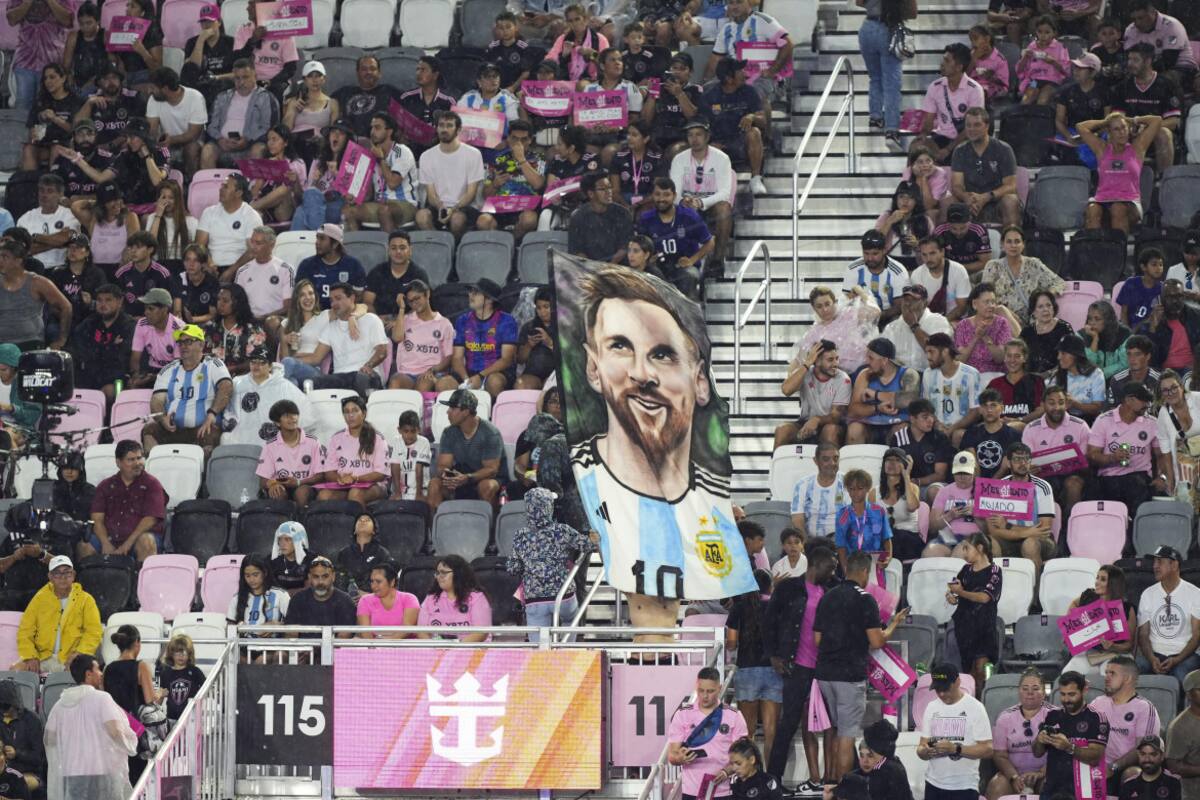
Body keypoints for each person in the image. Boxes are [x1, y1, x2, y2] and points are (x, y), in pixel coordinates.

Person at [815, 550, 908, 780]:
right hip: (850, 676)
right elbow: (876, 641)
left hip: (825, 675)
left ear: (847, 569)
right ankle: (846, 793)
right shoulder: (866, 599)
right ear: (866, 572)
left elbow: (817, 639)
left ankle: (832, 787)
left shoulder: (828, 596)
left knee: (834, 733)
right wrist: (894, 624)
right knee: (847, 737)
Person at [763, 546, 835, 785]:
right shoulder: (788, 588)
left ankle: (833, 779)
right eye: (830, 565)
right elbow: (770, 622)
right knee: (788, 724)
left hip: (825, 668)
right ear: (815, 564)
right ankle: (773, 779)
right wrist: (774, 655)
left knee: (832, 725)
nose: (833, 570)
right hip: (797, 666)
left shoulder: (832, 588)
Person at [43, 654, 138, 800]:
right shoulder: (102, 699)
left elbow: (49, 738)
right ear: (88, 674)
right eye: (98, 670)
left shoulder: (60, 704)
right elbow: (115, 731)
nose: (101, 674)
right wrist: (130, 745)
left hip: (71, 772)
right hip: (99, 770)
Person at [507, 487, 592, 639]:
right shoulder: (562, 530)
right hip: (563, 596)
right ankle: (567, 651)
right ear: (549, 507)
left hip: (534, 598)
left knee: (540, 648)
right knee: (570, 620)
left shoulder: (520, 535)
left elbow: (513, 568)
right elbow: (588, 545)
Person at [141, 322, 233, 454]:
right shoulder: (169, 369)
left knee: (211, 434)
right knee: (149, 430)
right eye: (180, 342)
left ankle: (203, 474)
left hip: (203, 429)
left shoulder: (213, 364)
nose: (183, 346)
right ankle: (154, 470)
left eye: (188, 341)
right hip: (173, 430)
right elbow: (157, 400)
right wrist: (162, 418)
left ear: (201, 344)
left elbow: (226, 387)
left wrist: (212, 414)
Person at [283, 282, 388, 395]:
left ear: (352, 298)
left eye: (338, 298)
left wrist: (368, 365)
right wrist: (289, 362)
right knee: (309, 384)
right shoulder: (330, 328)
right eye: (331, 300)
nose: (334, 303)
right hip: (339, 378)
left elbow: (382, 350)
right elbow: (315, 358)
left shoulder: (371, 320)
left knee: (362, 378)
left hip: (365, 374)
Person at [667, 667, 750, 800]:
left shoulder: (734, 716)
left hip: (724, 791)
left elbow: (743, 756)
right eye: (701, 690)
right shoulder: (682, 714)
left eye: (710, 691)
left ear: (720, 688)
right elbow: (672, 756)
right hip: (691, 791)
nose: (705, 696)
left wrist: (726, 771)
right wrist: (680, 758)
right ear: (696, 687)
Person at [917, 662, 994, 800]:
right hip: (933, 783)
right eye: (938, 689)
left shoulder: (975, 708)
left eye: (946, 689)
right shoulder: (931, 707)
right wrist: (925, 752)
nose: (941, 694)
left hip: (964, 786)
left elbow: (988, 749)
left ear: (957, 682)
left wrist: (955, 749)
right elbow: (922, 747)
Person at [12, 556, 100, 673]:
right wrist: (30, 656)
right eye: (57, 573)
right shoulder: (39, 599)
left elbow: (94, 632)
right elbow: (25, 630)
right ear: (50, 577)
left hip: (72, 658)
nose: (62, 577)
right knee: (15, 670)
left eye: (67, 573)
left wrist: (79, 654)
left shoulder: (86, 600)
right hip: (42, 657)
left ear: (73, 575)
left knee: (83, 672)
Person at [83, 441, 167, 562]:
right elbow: (97, 519)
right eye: (131, 459)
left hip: (138, 538)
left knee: (146, 542)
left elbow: (151, 519)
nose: (137, 463)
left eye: (139, 458)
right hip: (109, 538)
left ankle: (141, 580)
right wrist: (105, 543)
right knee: (84, 545)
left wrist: (127, 544)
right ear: (118, 463)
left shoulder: (152, 484)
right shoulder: (105, 485)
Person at [1087, 381, 1164, 513]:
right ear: (1129, 400)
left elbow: (1161, 455)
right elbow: (1092, 455)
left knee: (1136, 483)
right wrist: (1112, 457)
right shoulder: (1103, 420)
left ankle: (1136, 530)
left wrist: (1162, 477)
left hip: (1140, 478)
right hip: (1109, 478)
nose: (1147, 405)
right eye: (1143, 400)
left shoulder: (1152, 423)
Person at [726, 572, 780, 758]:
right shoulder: (776, 606)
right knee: (771, 731)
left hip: (747, 671)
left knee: (746, 733)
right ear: (770, 587)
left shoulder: (739, 608)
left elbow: (731, 644)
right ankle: (771, 777)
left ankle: (750, 777)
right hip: (774, 671)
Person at [1080, 112, 1162, 235]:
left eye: (1124, 127)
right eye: (1116, 129)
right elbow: (1081, 127)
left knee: (1118, 208)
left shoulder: (1137, 148)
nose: (1121, 132)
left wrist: (1131, 119)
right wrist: (1105, 122)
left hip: (1130, 201)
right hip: (1103, 200)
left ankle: (1119, 250)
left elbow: (1157, 120)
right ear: (1110, 132)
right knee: (1092, 210)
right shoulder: (1101, 149)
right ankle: (1095, 248)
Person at [1033, 671, 1109, 800]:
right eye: (1062, 694)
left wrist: (1069, 747)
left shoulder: (1096, 717)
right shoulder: (1052, 716)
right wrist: (1039, 740)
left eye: (1071, 694)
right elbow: (1037, 753)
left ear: (1084, 690)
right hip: (1052, 789)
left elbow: (1095, 757)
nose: (1066, 700)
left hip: (1083, 790)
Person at [1092, 656, 1163, 790]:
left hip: (1123, 768)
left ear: (1127, 678)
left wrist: (1113, 767)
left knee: (1133, 774)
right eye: (1106, 673)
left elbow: (1144, 750)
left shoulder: (1145, 708)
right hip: (1097, 766)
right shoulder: (1098, 703)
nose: (1106, 677)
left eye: (1112, 673)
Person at [635, 176, 713, 299]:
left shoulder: (689, 216)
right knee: (645, 277)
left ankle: (687, 315)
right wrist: (648, 258)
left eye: (666, 195)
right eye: (657, 194)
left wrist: (692, 260)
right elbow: (640, 245)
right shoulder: (646, 218)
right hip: (658, 266)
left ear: (674, 196)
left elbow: (710, 242)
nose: (661, 199)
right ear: (652, 196)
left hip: (683, 266)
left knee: (689, 275)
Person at [428, 388, 506, 510]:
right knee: (434, 484)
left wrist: (467, 478)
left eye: (452, 408)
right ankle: (437, 527)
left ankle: (490, 527)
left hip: (486, 479)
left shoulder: (490, 433)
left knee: (487, 486)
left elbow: (492, 470)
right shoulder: (449, 432)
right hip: (460, 478)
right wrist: (449, 476)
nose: (448, 412)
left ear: (465, 412)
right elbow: (443, 465)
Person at [669, 119, 735, 263]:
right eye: (690, 135)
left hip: (710, 205)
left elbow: (725, 192)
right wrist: (682, 200)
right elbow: (673, 191)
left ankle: (718, 259)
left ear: (707, 136)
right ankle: (678, 259)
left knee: (724, 208)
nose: (694, 139)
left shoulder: (722, 158)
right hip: (685, 204)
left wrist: (700, 202)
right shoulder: (679, 159)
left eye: (698, 134)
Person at [341, 112, 419, 233]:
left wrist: (381, 159)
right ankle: (356, 249)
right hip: (379, 203)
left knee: (384, 210)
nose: (372, 132)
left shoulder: (401, 151)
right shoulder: (369, 155)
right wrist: (354, 197)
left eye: (377, 128)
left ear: (389, 132)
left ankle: (391, 248)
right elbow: (368, 194)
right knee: (348, 211)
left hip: (405, 203)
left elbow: (393, 183)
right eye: (371, 128)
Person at [439, 279, 518, 398]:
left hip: (496, 372)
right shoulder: (462, 320)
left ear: (490, 299)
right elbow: (457, 357)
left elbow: (506, 359)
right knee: (443, 384)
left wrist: (481, 376)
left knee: (494, 382)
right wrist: (466, 379)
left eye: (476, 292)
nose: (470, 295)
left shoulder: (506, 321)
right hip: (469, 372)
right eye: (470, 291)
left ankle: (493, 415)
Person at [984, 442, 1056, 569]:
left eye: (1026, 459)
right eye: (1017, 459)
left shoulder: (1043, 487)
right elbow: (994, 531)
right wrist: (1025, 532)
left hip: (1040, 541)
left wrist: (1007, 525)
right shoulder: (997, 487)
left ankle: (1035, 588)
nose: (1023, 463)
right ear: (1008, 462)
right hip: (1010, 540)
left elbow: (1043, 530)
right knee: (990, 543)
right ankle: (997, 585)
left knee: (1029, 544)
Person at [1112, 43, 1181, 175]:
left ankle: (1163, 181)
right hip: (1130, 131)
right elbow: (1117, 116)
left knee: (1163, 133)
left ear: (1148, 61)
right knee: (1114, 132)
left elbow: (1173, 121)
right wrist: (1127, 126)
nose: (1130, 63)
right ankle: (1116, 180)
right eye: (1129, 59)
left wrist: (1149, 129)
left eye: (1135, 60)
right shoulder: (1123, 87)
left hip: (1157, 132)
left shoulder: (1166, 84)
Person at [702, 58, 767, 197]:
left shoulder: (750, 92)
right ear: (729, 78)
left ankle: (755, 179)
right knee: (708, 148)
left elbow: (763, 121)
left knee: (754, 132)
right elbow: (702, 124)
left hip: (741, 141)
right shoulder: (710, 95)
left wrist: (752, 117)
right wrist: (710, 144)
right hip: (718, 141)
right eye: (740, 71)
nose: (745, 73)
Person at [415, 112, 485, 241]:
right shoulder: (426, 156)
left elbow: (471, 193)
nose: (444, 129)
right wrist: (440, 206)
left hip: (465, 206)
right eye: (441, 125)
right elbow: (431, 195)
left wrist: (453, 209)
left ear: (458, 130)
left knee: (457, 220)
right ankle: (438, 247)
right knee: (421, 216)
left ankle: (455, 253)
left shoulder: (473, 154)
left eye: (449, 126)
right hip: (440, 206)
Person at [1021, 383, 1090, 515]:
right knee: (1032, 482)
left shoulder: (1080, 426)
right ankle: (1043, 526)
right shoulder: (1031, 428)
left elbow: (1086, 463)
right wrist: (1030, 468)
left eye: (1061, 402)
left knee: (1073, 484)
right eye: (1051, 403)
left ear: (1067, 405)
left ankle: (1070, 526)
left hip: (1073, 474)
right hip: (1043, 476)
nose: (1057, 408)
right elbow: (1027, 462)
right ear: (1043, 405)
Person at [945, 533, 1001, 693]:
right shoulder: (965, 570)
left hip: (984, 628)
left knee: (981, 670)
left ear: (980, 548)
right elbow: (955, 590)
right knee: (969, 673)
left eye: (966, 548)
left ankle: (982, 704)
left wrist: (960, 592)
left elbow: (984, 598)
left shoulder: (994, 571)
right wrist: (952, 596)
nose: (964, 552)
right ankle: (970, 705)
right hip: (964, 627)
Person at [986, 667, 1052, 800]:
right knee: (996, 787)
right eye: (1025, 688)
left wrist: (1040, 773)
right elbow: (1000, 755)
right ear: (1019, 691)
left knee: (1051, 787)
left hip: (1045, 774)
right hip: (1013, 774)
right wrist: (1014, 777)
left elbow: (1060, 754)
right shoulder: (1005, 718)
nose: (1030, 693)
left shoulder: (1055, 715)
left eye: (1035, 688)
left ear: (1044, 693)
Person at [1136, 545, 1200, 683]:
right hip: (1155, 654)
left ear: (1174, 565)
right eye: (1154, 562)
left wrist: (1177, 659)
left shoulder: (1195, 593)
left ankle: (1185, 705)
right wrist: (1152, 658)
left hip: (1185, 654)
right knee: (1134, 670)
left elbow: (1196, 636)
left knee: (1182, 674)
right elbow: (1143, 634)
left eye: (1160, 562)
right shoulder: (1148, 594)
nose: (1155, 566)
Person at [856, 0, 914, 152]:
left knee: (875, 78)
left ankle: (875, 118)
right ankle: (891, 130)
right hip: (889, 29)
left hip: (868, 27)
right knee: (891, 84)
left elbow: (859, 2)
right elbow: (912, 13)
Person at [949, 107, 1021, 226]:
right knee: (948, 202)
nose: (972, 129)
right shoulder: (960, 151)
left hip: (997, 201)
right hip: (970, 202)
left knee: (1010, 201)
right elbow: (957, 185)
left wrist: (986, 197)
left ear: (987, 126)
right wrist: (967, 198)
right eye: (968, 125)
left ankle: (1011, 240)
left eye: (977, 125)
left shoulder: (1003, 149)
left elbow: (1011, 186)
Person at [1063, 566, 1137, 681]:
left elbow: (1129, 645)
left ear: (1113, 584)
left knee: (1108, 675)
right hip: (1090, 653)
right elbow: (1074, 603)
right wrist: (1069, 630)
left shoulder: (1127, 609)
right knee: (1068, 674)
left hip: (1115, 654)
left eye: (1102, 579)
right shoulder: (1088, 596)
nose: (1097, 582)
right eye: (1097, 578)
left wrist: (1113, 646)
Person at [775, 337, 851, 448]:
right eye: (830, 360)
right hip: (805, 422)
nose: (836, 363)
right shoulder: (805, 373)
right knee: (782, 430)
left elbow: (836, 416)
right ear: (817, 361)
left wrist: (817, 420)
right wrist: (806, 364)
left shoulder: (843, 379)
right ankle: (776, 464)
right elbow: (786, 390)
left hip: (830, 423)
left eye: (837, 358)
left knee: (830, 430)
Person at [979, 227, 1064, 327]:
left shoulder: (1033, 264)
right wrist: (1008, 314)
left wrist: (1045, 297)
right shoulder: (993, 266)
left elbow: (1059, 282)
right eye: (1009, 242)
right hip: (1001, 320)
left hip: (1032, 320)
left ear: (1023, 244)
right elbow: (984, 297)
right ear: (1002, 245)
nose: (1013, 245)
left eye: (1017, 241)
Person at [316, 397, 390, 506]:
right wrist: (340, 478)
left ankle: (363, 522)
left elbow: (380, 474)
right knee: (323, 496)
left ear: (364, 413)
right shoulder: (336, 438)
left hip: (373, 486)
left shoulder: (377, 438)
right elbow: (329, 472)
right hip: (343, 486)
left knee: (355, 493)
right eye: (346, 412)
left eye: (355, 410)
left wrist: (356, 479)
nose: (350, 415)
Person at [846, 337, 920, 446]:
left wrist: (876, 395)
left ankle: (899, 461)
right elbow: (853, 410)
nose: (867, 361)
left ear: (885, 360)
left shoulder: (908, 374)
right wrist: (877, 408)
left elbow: (909, 400)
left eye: (871, 358)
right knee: (854, 430)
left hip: (897, 423)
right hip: (869, 425)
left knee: (902, 430)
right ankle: (855, 463)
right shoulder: (865, 374)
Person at [920, 44, 987, 163]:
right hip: (942, 137)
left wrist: (948, 149)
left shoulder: (974, 89)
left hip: (967, 139)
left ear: (959, 67)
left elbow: (971, 127)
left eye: (947, 61)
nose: (942, 64)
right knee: (918, 150)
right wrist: (924, 138)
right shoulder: (935, 87)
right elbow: (928, 122)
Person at [5, 0, 73, 113]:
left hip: (52, 60)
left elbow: (68, 20)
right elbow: (11, 19)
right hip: (25, 59)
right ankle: (22, 131)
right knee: (23, 103)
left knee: (49, 105)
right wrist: (27, 2)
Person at [256, 398, 322, 507]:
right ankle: (283, 523)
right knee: (277, 492)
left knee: (302, 492)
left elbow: (320, 475)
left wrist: (298, 482)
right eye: (287, 415)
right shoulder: (270, 445)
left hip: (305, 485)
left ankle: (302, 522)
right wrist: (273, 484)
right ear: (277, 422)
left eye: (295, 414)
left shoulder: (313, 442)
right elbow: (263, 480)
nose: (293, 418)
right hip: (282, 486)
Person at [921, 331, 982, 443]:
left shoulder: (970, 374)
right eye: (927, 352)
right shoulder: (928, 374)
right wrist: (937, 424)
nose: (928, 356)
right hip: (935, 427)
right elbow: (926, 406)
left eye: (931, 352)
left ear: (945, 351)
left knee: (958, 435)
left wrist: (952, 429)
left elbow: (975, 411)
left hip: (962, 429)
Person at [1124, 0, 1196, 93]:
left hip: (1180, 67)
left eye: (1141, 18)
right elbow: (1128, 56)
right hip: (1144, 68)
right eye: (1134, 19)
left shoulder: (1171, 25)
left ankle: (1174, 106)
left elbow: (1169, 60)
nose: (1138, 23)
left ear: (1153, 12)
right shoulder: (1131, 30)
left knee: (1160, 82)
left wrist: (1143, 72)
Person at [195, 173, 263, 272]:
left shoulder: (251, 216)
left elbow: (252, 251)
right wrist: (210, 263)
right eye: (222, 186)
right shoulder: (209, 212)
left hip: (240, 268)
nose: (220, 189)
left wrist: (230, 271)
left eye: (226, 187)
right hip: (212, 267)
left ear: (238, 193)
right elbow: (200, 245)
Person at [144, 67, 206, 174]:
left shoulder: (195, 97)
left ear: (165, 89)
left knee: (191, 149)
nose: (149, 91)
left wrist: (172, 140)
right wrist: (156, 140)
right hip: (166, 141)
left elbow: (193, 134)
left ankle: (191, 183)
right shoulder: (154, 99)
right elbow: (152, 130)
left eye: (153, 88)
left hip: (192, 140)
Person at [224, 227, 293, 324]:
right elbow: (237, 303)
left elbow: (288, 307)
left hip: (274, 320)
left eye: (258, 243)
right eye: (252, 242)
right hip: (248, 321)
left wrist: (264, 318)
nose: (253, 247)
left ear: (271, 245)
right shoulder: (242, 271)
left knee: (272, 322)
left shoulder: (285, 269)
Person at [416, 555, 492, 642]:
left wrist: (455, 649)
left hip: (471, 652)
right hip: (436, 652)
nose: (439, 576)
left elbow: (480, 633)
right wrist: (434, 648)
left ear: (458, 574)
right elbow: (421, 631)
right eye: (437, 573)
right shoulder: (430, 599)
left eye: (443, 572)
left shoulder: (477, 598)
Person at [834, 469, 892, 576]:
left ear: (867, 488)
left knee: (875, 592)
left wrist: (888, 558)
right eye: (851, 489)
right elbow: (841, 546)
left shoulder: (879, 511)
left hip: (875, 565)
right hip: (852, 565)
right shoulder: (842, 515)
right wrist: (846, 570)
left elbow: (886, 538)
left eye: (860, 488)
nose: (855, 493)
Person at [293, 224, 367, 308]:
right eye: (317, 238)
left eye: (322, 238)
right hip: (314, 315)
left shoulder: (353, 265)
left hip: (343, 316)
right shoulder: (306, 265)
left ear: (335, 244)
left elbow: (359, 297)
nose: (317, 242)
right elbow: (298, 296)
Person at [364, 232, 430, 325]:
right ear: (388, 251)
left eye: (402, 248)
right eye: (394, 248)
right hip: (380, 322)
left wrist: (399, 322)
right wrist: (377, 320)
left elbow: (421, 305)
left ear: (410, 250)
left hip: (410, 323)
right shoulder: (377, 272)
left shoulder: (418, 274)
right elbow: (367, 301)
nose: (398, 252)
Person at [842, 229, 907, 323]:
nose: (870, 258)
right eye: (866, 253)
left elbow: (899, 307)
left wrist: (877, 316)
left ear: (884, 250)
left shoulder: (898, 271)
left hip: (889, 318)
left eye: (875, 254)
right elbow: (847, 302)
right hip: (860, 319)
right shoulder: (852, 269)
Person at [203, 284, 268, 376]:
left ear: (237, 302)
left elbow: (259, 360)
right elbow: (203, 357)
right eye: (218, 299)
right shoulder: (210, 327)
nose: (220, 304)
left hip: (245, 380)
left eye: (225, 301)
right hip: (213, 378)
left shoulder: (253, 329)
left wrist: (231, 369)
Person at [1156, 370, 1200, 505]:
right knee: (1188, 508)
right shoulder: (1163, 414)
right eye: (1165, 390)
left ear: (1181, 386)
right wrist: (1170, 478)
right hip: (1183, 469)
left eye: (1174, 387)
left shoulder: (1198, 399)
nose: (1171, 393)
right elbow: (1166, 450)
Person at [568, 171, 633, 263]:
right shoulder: (578, 217)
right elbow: (577, 250)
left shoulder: (623, 214)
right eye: (603, 189)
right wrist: (591, 268)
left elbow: (625, 247)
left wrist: (609, 267)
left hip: (618, 267)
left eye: (609, 187)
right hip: (589, 269)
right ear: (591, 194)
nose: (609, 192)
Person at [284, 556, 358, 633]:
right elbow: (291, 636)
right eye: (316, 577)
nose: (320, 582)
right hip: (305, 644)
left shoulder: (345, 601)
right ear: (309, 577)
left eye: (325, 576)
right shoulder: (298, 600)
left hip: (334, 644)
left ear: (333, 576)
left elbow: (344, 637)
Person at [330, 54, 398, 138]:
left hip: (378, 143)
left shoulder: (389, 91)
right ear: (357, 72)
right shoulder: (344, 92)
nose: (368, 72)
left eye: (372, 69)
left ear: (379, 73)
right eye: (364, 69)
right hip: (350, 144)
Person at [789, 442, 847, 538]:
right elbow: (797, 519)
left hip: (841, 542)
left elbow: (855, 517)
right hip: (811, 542)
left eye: (835, 458)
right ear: (816, 461)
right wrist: (806, 544)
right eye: (826, 459)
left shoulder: (848, 482)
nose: (832, 463)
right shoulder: (802, 485)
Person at [954, 283, 1012, 374]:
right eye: (986, 302)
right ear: (974, 304)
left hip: (995, 375)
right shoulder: (963, 325)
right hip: (969, 375)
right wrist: (976, 338)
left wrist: (985, 337)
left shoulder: (1002, 323)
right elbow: (960, 360)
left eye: (993, 302)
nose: (991, 306)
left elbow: (1001, 358)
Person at [0, 678, 45, 793]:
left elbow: (39, 758)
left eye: (6, 706)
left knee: (16, 784)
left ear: (15, 703)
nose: (3, 710)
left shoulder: (31, 720)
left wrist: (17, 753)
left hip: (29, 773)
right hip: (3, 773)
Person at [907, 238, 969, 322]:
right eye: (924, 254)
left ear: (942, 252)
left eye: (932, 253)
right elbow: (917, 307)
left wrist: (941, 323)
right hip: (927, 320)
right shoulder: (917, 274)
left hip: (954, 319)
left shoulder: (959, 271)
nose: (928, 259)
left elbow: (962, 307)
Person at [876, 182, 933, 269]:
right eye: (901, 197)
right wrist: (889, 222)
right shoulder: (886, 216)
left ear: (916, 201)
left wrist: (918, 245)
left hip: (917, 263)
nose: (905, 201)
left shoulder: (925, 220)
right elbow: (875, 242)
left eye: (910, 197)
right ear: (896, 199)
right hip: (890, 262)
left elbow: (933, 247)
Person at [1050, 333, 1107, 420]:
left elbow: (1097, 407)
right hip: (1064, 421)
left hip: (1090, 422)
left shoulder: (1095, 374)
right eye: (1058, 353)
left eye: (1063, 353)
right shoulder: (1057, 376)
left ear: (1076, 355)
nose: (1059, 357)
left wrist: (1075, 404)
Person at [989, 339, 1044, 426]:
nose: (1012, 360)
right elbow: (987, 410)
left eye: (1017, 356)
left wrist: (1019, 420)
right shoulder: (995, 384)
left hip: (1028, 428)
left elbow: (1042, 409)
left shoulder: (1036, 381)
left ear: (1024, 358)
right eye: (1009, 356)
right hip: (1001, 429)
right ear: (1004, 358)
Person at [1016, 16, 1070, 105]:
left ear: (1054, 33)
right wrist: (1024, 58)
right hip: (1034, 81)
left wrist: (1053, 62)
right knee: (1026, 99)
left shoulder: (1060, 47)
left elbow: (1066, 71)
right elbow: (1020, 70)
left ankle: (1041, 118)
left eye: (1047, 32)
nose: (1043, 36)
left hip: (1052, 82)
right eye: (1039, 32)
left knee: (1043, 100)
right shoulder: (1032, 46)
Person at [355, 562, 418, 638]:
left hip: (406, 647)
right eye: (372, 581)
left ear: (392, 582)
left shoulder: (409, 599)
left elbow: (407, 628)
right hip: (374, 647)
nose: (373, 586)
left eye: (378, 582)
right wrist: (376, 647)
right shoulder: (365, 600)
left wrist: (385, 644)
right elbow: (365, 633)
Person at [226, 553, 289, 628]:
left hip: (274, 639)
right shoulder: (236, 598)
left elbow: (293, 625)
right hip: (244, 639)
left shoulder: (281, 595)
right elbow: (229, 628)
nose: (251, 580)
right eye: (247, 576)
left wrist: (277, 625)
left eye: (255, 575)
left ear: (265, 573)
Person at [514, 285, 557, 391]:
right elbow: (519, 360)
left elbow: (571, 360)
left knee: (552, 387)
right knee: (521, 385)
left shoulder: (565, 327)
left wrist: (550, 343)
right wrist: (529, 345)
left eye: (546, 307)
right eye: (538, 308)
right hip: (533, 374)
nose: (542, 312)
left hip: (556, 374)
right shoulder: (529, 327)